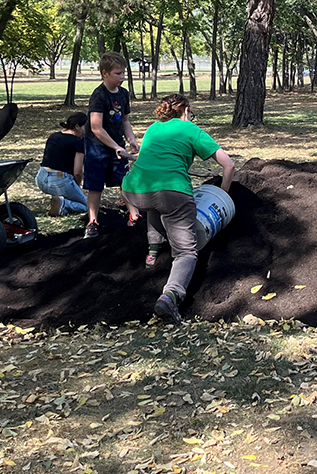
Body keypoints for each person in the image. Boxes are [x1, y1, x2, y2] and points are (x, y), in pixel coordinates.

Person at [122, 94, 235, 324]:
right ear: (185, 112)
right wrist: (223, 194)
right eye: (190, 113)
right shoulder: (191, 130)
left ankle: (152, 253)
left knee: (155, 202)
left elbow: (146, 159)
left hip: (133, 191)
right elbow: (229, 165)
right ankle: (171, 296)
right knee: (186, 251)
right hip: (172, 193)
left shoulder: (154, 128)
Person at [84, 52, 141, 239]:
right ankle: (92, 221)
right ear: (105, 73)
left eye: (124, 73)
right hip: (97, 147)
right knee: (95, 186)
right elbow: (96, 127)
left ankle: (134, 216)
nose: (122, 77)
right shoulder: (99, 96)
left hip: (119, 146)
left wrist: (131, 139)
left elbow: (125, 121)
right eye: (118, 74)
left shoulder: (124, 94)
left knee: (124, 181)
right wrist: (115, 147)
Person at [35, 112, 88, 215]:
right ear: (77, 126)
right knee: (87, 207)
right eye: (85, 127)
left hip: (41, 178)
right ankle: (65, 204)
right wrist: (76, 185)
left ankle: (60, 205)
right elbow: (78, 172)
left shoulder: (54, 136)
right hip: (60, 181)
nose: (87, 131)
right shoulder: (78, 143)